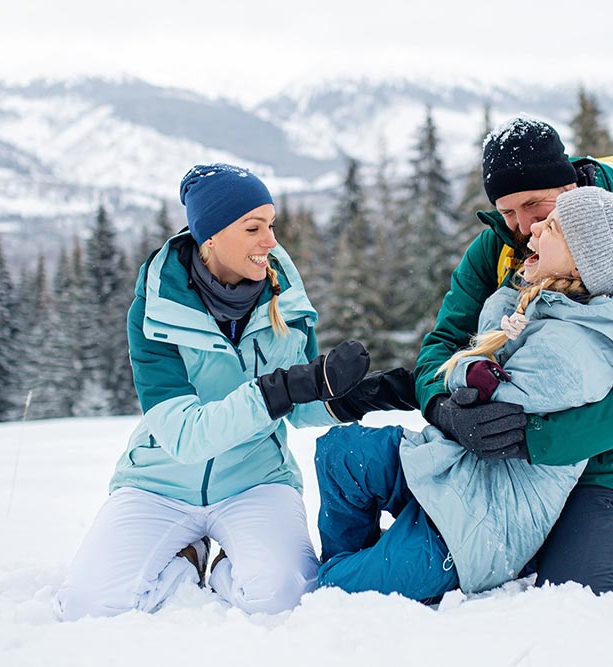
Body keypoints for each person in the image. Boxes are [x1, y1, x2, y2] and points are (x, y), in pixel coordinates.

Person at [54, 163, 410, 620]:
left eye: (272, 225)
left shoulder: (285, 299)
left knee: (282, 598)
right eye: (253, 228)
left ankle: (226, 568)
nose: (271, 242)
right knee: (87, 606)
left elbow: (298, 409)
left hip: (256, 478)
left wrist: (362, 397)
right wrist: (284, 387)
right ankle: (189, 557)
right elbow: (184, 436)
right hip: (157, 484)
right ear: (211, 236)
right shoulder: (156, 311)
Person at [315, 187, 613, 600]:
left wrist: (457, 373)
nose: (532, 228)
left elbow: (481, 395)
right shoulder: (545, 300)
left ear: (583, 264)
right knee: (340, 452)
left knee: (335, 593)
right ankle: (359, 562)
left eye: (551, 226)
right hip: (452, 471)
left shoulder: (573, 351)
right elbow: (456, 348)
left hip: (482, 523)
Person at [413, 117, 613, 594]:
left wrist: (537, 438)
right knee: (487, 559)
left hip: (607, 449)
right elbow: (441, 344)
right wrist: (443, 408)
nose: (522, 226)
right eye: (507, 210)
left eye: (534, 205)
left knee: (576, 588)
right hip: (506, 445)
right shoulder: (497, 244)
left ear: (569, 183)